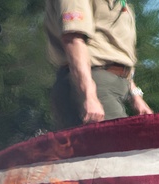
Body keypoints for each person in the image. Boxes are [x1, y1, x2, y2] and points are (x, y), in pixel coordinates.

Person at [44, 0, 152, 129]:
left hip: (115, 84)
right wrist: (89, 95)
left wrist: (135, 94)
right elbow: (73, 40)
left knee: (125, 144)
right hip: (93, 83)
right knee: (120, 144)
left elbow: (116, 50)